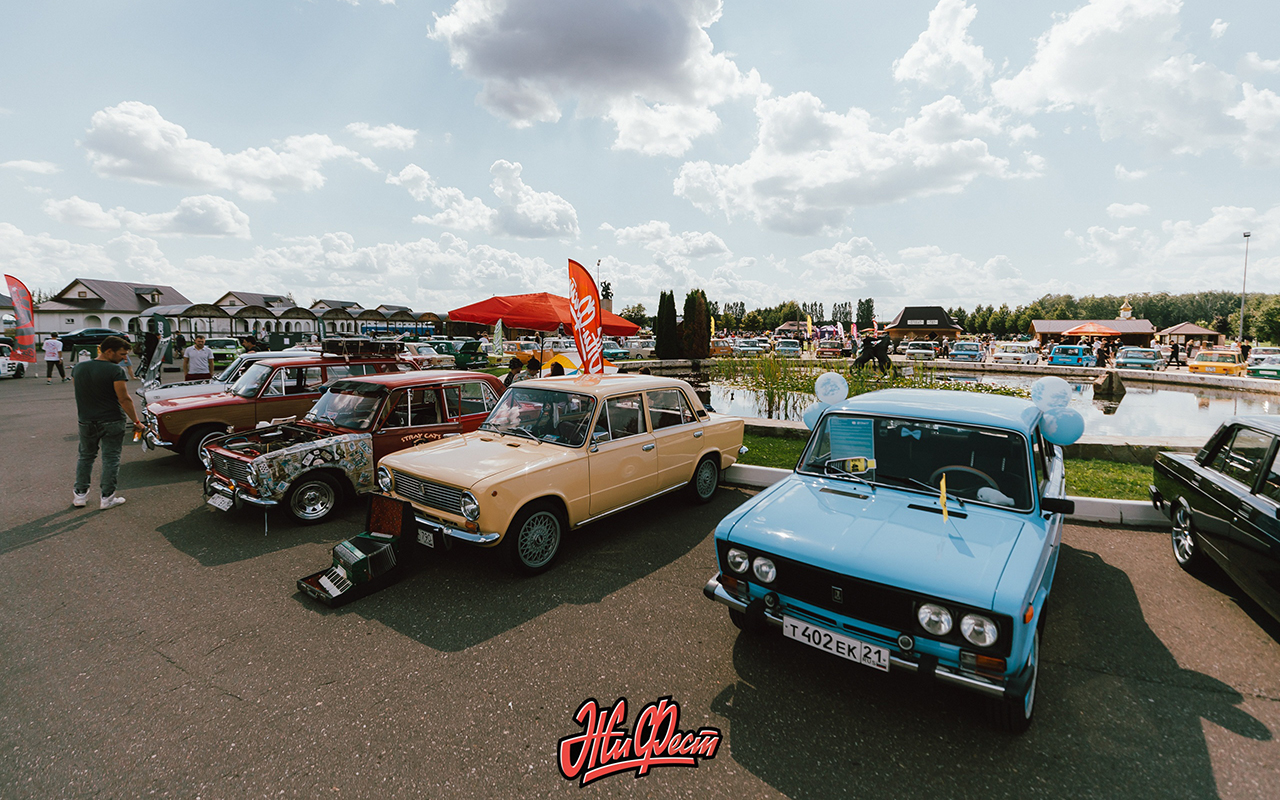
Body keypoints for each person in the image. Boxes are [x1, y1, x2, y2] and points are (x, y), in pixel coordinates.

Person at [72, 336, 145, 509]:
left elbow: (81, 391)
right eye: (122, 354)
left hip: (86, 420)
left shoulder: (78, 368)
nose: (124, 358)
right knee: (110, 458)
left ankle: (80, 495)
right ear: (109, 351)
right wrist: (136, 421)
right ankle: (107, 498)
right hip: (112, 420)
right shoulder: (115, 370)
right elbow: (124, 399)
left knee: (86, 457)